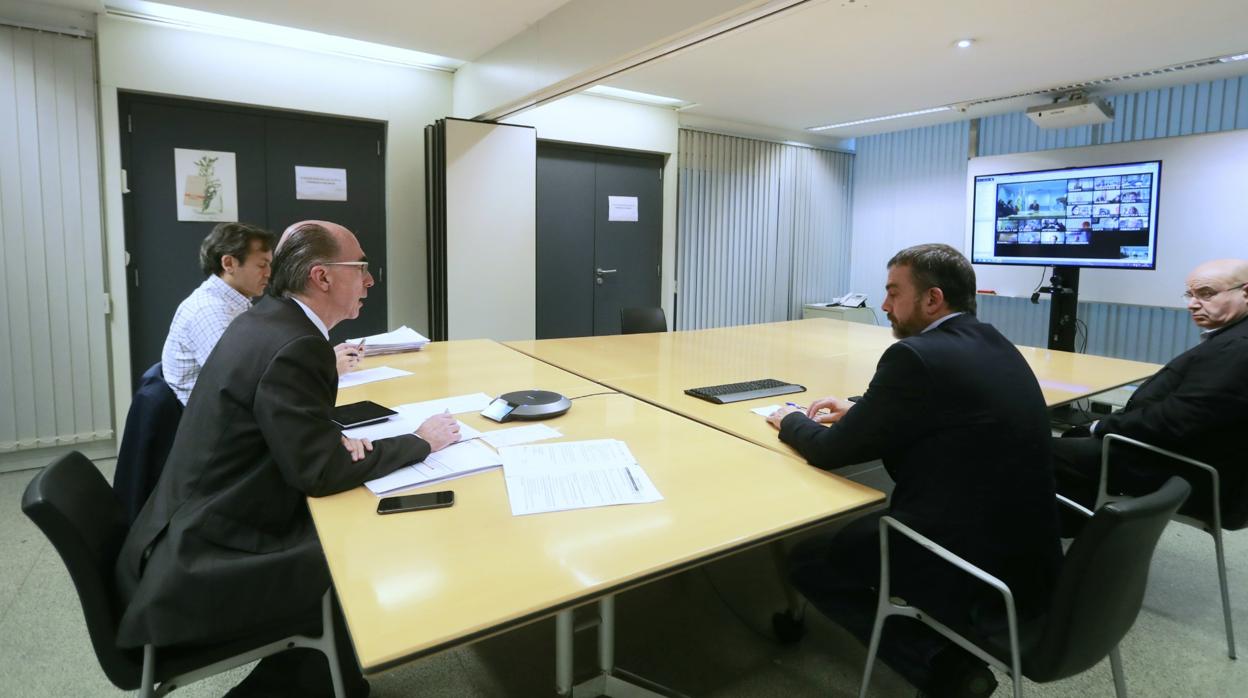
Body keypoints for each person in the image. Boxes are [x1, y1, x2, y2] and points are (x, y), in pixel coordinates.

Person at [114, 221, 460, 697]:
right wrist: (420, 441)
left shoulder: (268, 320)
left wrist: (323, 437)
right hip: (208, 553)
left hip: (187, 523)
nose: (369, 280)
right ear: (321, 277)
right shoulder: (297, 344)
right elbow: (318, 474)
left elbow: (282, 429)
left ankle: (320, 673)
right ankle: (324, 678)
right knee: (360, 540)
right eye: (361, 267)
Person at [766, 243, 1061, 697]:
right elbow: (943, 401)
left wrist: (791, 420)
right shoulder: (991, 340)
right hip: (1030, 549)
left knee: (808, 560)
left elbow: (830, 451)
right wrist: (860, 407)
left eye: (893, 293)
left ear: (932, 300)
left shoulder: (914, 356)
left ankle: (940, 666)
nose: (884, 305)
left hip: (963, 555)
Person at [1053, 259, 1248, 521]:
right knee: (1072, 437)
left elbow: (1176, 421)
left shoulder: (1237, 349)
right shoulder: (1233, 337)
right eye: (1190, 294)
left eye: (1206, 294)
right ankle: (1077, 523)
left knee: (1037, 448)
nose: (1192, 304)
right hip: (1187, 456)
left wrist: (1099, 426)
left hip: (1183, 471)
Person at [161, 222, 276, 404]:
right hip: (214, 420)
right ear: (229, 263)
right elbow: (238, 381)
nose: (269, 273)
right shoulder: (210, 311)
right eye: (262, 265)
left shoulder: (233, 303)